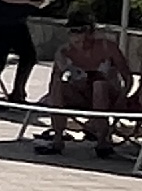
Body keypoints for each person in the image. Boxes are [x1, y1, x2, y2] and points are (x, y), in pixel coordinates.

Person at [42, 9, 128, 145]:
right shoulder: (65, 52)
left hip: (108, 96)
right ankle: (57, 137)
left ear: (91, 31)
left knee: (99, 85)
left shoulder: (108, 48)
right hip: (81, 95)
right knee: (57, 85)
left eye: (81, 31)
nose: (78, 36)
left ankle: (102, 140)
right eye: (72, 31)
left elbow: (128, 78)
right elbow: (54, 80)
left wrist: (122, 99)